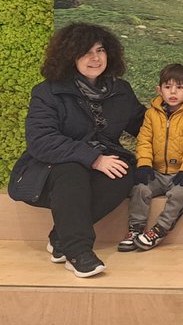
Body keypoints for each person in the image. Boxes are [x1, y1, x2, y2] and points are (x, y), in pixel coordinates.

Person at [8, 23, 145, 278]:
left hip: (97, 165)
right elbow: (41, 140)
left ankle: (61, 236)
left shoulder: (120, 90)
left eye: (100, 50)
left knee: (124, 172)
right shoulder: (48, 92)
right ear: (70, 57)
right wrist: (93, 158)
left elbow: (145, 126)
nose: (95, 58)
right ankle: (78, 252)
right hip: (49, 171)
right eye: (85, 52)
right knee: (72, 169)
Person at [120, 63, 183, 252]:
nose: (173, 92)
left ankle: (160, 229)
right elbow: (144, 139)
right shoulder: (152, 113)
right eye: (168, 87)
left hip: (180, 173)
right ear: (159, 90)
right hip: (157, 172)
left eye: (180, 87)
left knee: (179, 194)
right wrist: (144, 164)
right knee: (140, 189)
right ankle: (135, 228)